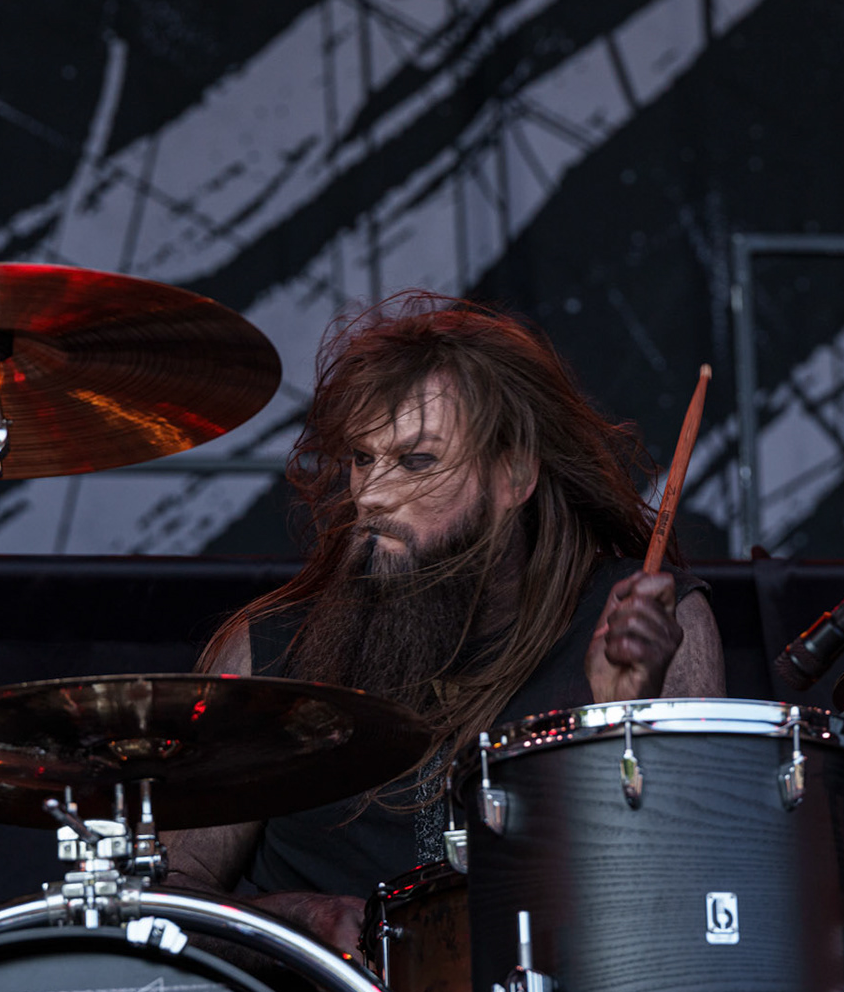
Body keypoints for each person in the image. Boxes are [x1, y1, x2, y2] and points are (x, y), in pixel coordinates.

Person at [163, 293, 724, 952]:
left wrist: (617, 726)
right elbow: (164, 895)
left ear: (513, 475)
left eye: (417, 461)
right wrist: (298, 921)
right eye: (362, 459)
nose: (370, 494)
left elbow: (708, 899)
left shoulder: (646, 625)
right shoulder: (267, 652)